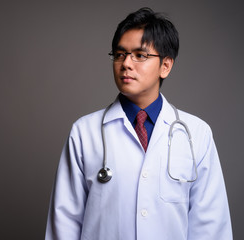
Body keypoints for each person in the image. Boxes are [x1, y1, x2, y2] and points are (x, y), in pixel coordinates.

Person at [45, 7, 232, 240]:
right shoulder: (84, 132)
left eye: (140, 55)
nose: (126, 64)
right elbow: (64, 224)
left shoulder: (197, 134)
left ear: (166, 66)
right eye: (120, 54)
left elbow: (211, 227)